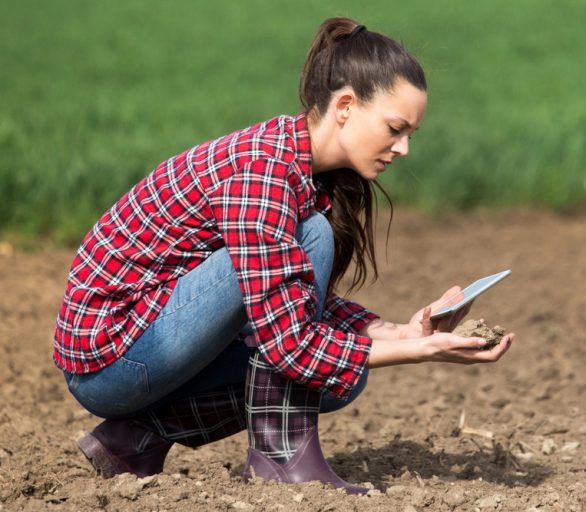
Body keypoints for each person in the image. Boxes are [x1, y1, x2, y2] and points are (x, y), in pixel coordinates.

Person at [53, 17, 513, 495]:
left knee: (340, 378)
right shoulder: (265, 172)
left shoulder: (301, 172)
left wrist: (402, 331)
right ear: (346, 106)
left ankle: (133, 439)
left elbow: (285, 290)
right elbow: (288, 344)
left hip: (148, 343)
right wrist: (418, 352)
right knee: (312, 261)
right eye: (395, 128)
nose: (404, 148)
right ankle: (280, 458)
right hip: (113, 361)